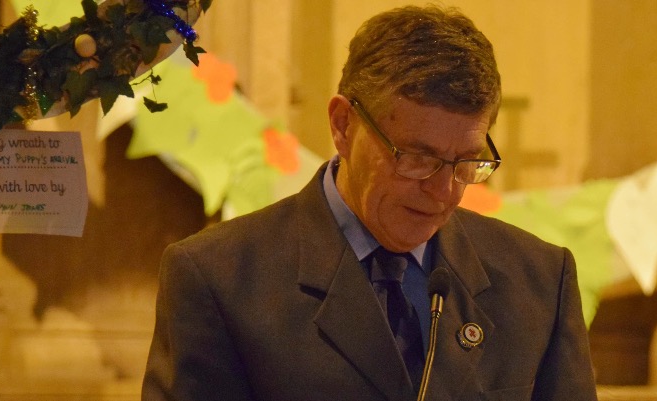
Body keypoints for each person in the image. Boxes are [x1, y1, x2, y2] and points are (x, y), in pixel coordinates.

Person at [142, 5, 597, 401]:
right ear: (343, 126)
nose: (443, 192)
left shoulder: (539, 281)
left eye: (466, 162)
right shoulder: (218, 278)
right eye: (417, 158)